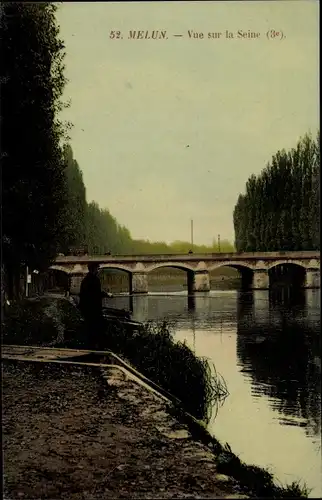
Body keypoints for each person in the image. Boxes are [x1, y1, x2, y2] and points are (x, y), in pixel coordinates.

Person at [78, 263, 108, 349]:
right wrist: (105, 294)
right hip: (93, 309)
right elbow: (95, 294)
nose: (98, 271)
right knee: (97, 327)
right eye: (97, 269)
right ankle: (96, 347)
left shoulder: (85, 280)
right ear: (93, 269)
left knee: (90, 328)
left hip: (86, 309)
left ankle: (91, 345)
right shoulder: (94, 280)